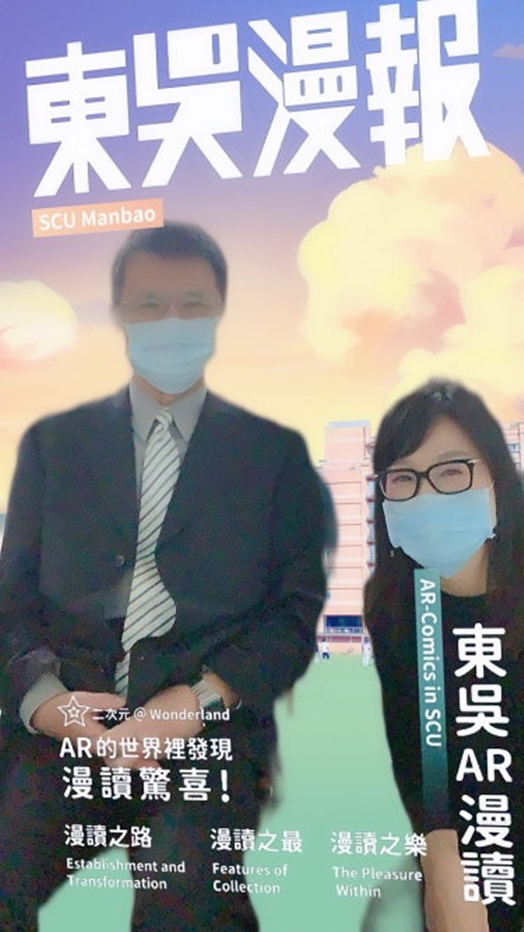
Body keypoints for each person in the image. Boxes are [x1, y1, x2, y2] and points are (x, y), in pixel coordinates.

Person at [0, 222, 327, 931]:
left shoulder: (273, 454)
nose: (171, 322)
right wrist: (51, 705)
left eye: (191, 304)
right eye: (150, 304)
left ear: (218, 311)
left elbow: (294, 617)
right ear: (120, 312)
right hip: (66, 723)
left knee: (187, 906)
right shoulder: (54, 445)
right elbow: (11, 602)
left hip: (202, 733)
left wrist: (197, 699)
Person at [364, 379, 524, 932]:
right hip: (464, 864)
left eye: (452, 471)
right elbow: (415, 753)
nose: (426, 495)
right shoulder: (392, 606)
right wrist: (441, 863)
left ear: (496, 478)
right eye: (403, 478)